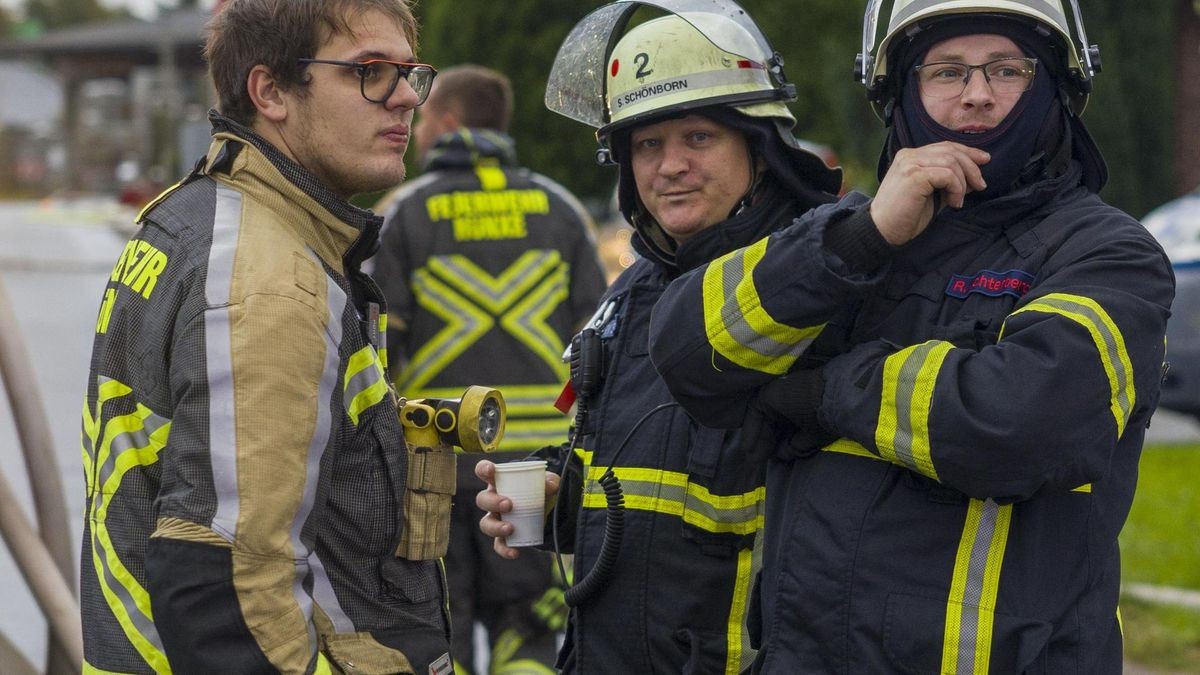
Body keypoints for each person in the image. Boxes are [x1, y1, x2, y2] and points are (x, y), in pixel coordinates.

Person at [647, 0, 1175, 672]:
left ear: (1055, 90)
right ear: (902, 92)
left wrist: (828, 390)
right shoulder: (853, 240)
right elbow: (687, 350)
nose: (978, 95)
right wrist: (862, 238)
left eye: (1007, 70)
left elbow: (1017, 424)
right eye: (947, 71)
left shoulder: (1110, 255)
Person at [78, 1, 455, 672]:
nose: (404, 99)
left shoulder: (189, 217)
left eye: (408, 73)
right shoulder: (272, 278)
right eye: (370, 71)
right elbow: (225, 590)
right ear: (271, 91)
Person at [474, 2, 842, 672]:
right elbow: (645, 476)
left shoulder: (812, 286)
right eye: (647, 143)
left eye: (698, 137)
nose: (669, 165)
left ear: (759, 149)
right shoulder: (636, 289)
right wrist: (564, 497)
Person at [369, 64, 607, 674]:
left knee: (437, 642)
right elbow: (598, 350)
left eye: (422, 118)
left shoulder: (403, 213)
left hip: (436, 474)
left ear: (446, 122)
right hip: (533, 478)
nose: (417, 131)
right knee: (528, 630)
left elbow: (374, 360)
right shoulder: (561, 209)